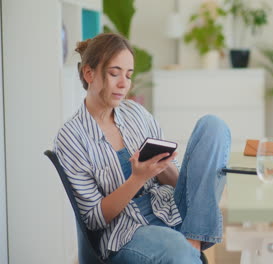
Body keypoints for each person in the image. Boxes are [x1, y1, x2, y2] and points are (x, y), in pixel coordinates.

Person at [54, 33, 231, 263]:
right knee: (175, 247)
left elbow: (180, 185)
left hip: (169, 208)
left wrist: (163, 167)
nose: (123, 84)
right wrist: (137, 179)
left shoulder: (136, 113)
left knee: (213, 126)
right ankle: (188, 249)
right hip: (126, 233)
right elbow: (94, 219)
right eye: (114, 73)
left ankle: (193, 243)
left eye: (128, 75)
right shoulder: (71, 137)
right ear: (89, 73)